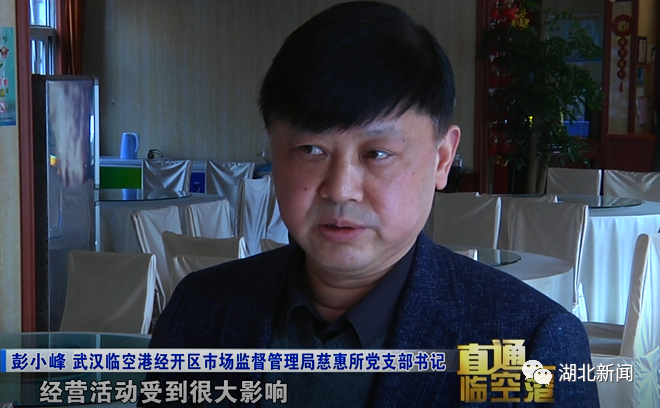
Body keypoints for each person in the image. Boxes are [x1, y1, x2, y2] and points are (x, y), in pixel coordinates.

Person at [147, 2, 599, 406]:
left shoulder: (529, 342)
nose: (341, 189)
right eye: (311, 149)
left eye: (377, 153)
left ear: (442, 159)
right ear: (274, 151)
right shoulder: (198, 311)